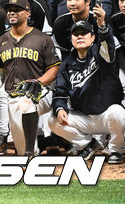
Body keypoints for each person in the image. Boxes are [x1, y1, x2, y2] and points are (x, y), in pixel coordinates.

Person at [50, 19, 124, 164]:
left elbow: (108, 46)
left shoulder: (100, 54)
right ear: (71, 39)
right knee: (53, 121)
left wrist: (102, 26)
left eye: (84, 33)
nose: (79, 37)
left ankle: (116, 149)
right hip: (85, 118)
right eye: (76, 34)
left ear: (93, 37)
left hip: (106, 116)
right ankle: (88, 144)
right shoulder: (67, 64)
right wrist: (60, 108)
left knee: (118, 112)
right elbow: (60, 92)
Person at [0, 0, 60, 156]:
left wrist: (38, 82)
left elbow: (54, 67)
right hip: (12, 95)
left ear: (28, 13)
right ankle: (27, 153)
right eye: (9, 10)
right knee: (17, 105)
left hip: (40, 92)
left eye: (17, 10)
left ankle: (31, 151)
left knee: (25, 103)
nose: (12, 13)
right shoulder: (1, 41)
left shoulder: (42, 39)